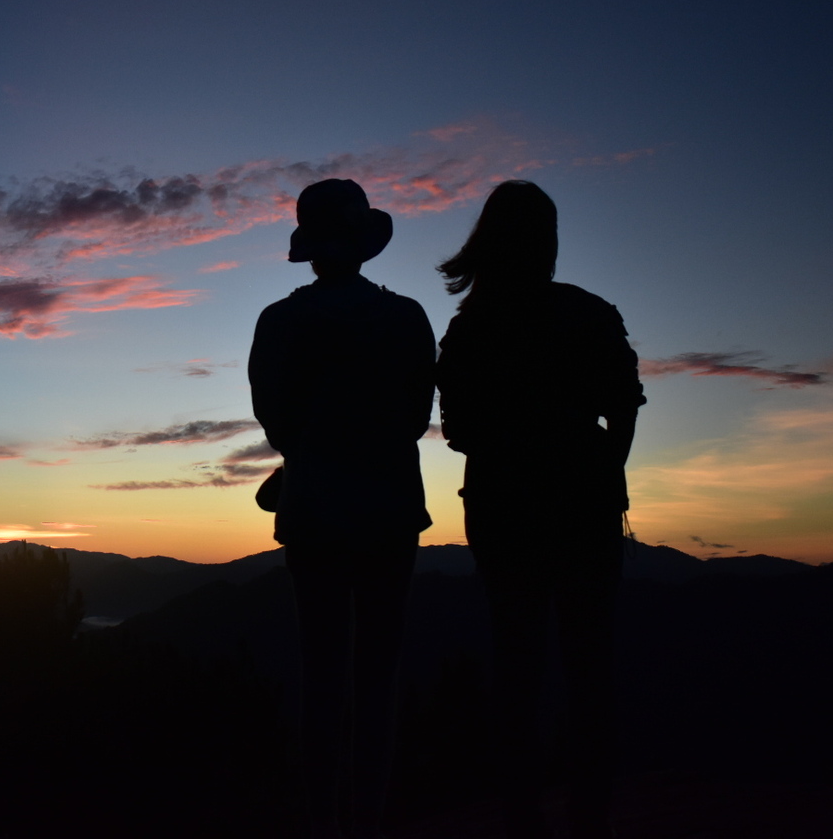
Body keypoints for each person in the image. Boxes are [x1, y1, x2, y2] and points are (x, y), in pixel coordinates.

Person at [434, 180, 644, 839]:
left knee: (516, 663)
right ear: (547, 241)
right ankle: (590, 819)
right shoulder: (589, 312)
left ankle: (522, 818)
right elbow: (624, 406)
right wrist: (605, 468)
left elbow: (460, 432)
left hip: (502, 507)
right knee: (591, 667)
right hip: (586, 502)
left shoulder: (471, 329)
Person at [249, 178, 435, 839]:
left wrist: (317, 449)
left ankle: (322, 820)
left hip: (315, 511)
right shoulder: (407, 317)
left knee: (321, 670)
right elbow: (416, 417)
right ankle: (371, 819)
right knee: (378, 675)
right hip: (389, 509)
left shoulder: (280, 321)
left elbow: (276, 422)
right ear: (361, 244)